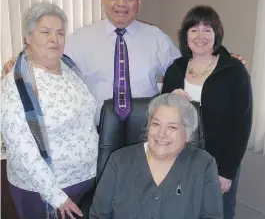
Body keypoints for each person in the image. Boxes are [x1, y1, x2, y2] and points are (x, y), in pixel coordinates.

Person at [1, 0, 247, 126]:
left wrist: (223, 61)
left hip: (147, 133)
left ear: (139, 1)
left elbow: (190, 67)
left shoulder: (156, 38)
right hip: (98, 132)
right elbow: (48, 57)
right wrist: (22, 61)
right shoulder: (80, 39)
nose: (122, 3)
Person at [1, 2, 99, 219]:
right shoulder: (15, 85)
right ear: (28, 37)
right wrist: (56, 197)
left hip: (86, 180)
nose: (54, 39)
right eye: (45, 32)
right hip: (46, 191)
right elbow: (22, 149)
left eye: (60, 33)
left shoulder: (69, 68)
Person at [161, 5, 253, 219]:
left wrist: (227, 171)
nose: (200, 35)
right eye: (194, 30)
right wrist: (168, 99)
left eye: (207, 29)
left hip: (218, 164)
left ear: (216, 34)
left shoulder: (233, 70)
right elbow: (161, 116)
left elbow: (242, 124)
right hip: (179, 161)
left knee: (218, 214)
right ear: (186, 36)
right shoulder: (175, 69)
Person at [89, 93, 223, 219]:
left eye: (172, 127)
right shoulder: (119, 160)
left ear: (187, 134)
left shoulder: (203, 164)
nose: (161, 133)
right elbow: (99, 215)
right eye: (156, 124)